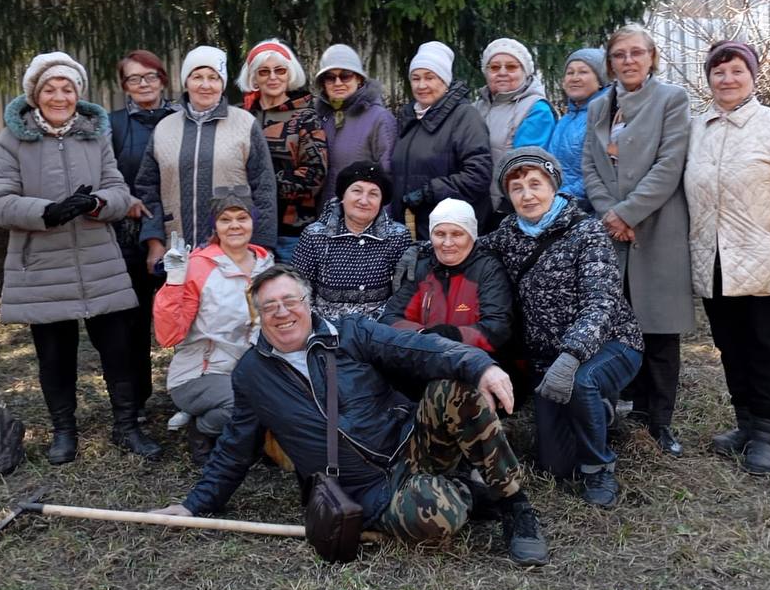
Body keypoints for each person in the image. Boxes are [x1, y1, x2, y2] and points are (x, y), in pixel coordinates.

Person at [153, 265, 550, 566]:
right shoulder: (251, 376)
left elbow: (418, 348)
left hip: (411, 446)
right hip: (363, 490)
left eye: (290, 301)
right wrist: (193, 505)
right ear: (258, 316)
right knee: (436, 519)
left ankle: (515, 506)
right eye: (269, 306)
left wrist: (479, 365)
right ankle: (464, 492)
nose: (282, 312)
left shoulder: (352, 332)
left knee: (455, 391)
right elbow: (235, 449)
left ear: (308, 304)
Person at [0, 51, 163, 465]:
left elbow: (120, 190)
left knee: (118, 348)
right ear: (35, 94)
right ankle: (64, 431)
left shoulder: (93, 134)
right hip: (43, 264)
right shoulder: (13, 139)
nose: (59, 96)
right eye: (50, 88)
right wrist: (44, 212)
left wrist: (97, 202)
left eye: (67, 88)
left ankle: (126, 426)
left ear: (78, 93)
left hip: (98, 259)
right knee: (55, 353)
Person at [684, 41, 770, 475]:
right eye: (718, 72)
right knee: (730, 346)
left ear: (753, 76)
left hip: (766, 259)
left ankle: (765, 434)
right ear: (708, 79)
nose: (727, 79)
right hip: (713, 262)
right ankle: (744, 424)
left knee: (765, 347)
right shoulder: (696, 128)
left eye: (736, 71)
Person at [475, 147, 644, 508]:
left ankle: (599, 468)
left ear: (554, 186)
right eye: (516, 188)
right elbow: (467, 248)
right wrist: (424, 249)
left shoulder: (587, 233)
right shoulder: (509, 233)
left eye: (535, 184)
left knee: (582, 382)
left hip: (610, 345)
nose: (527, 195)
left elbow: (602, 303)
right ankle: (600, 413)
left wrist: (571, 356)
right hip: (547, 360)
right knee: (555, 465)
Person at [583, 24, 693, 458]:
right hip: (612, 234)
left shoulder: (671, 100)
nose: (628, 61)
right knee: (621, 326)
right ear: (609, 63)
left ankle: (659, 421)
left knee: (660, 330)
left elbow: (670, 164)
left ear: (652, 57)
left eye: (636, 53)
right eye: (619, 55)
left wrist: (627, 213)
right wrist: (610, 213)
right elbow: (591, 166)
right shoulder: (598, 106)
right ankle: (624, 412)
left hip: (657, 229)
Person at [153, 186, 274, 466]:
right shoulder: (198, 267)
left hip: (249, 369)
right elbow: (169, 335)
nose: (235, 226)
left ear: (253, 222)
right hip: (201, 373)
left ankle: (248, 436)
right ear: (215, 226)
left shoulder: (266, 265)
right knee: (248, 404)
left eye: (242, 218)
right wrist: (174, 281)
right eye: (225, 219)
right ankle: (203, 429)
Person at [134, 44, 278, 266]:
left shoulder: (245, 124)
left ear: (223, 83)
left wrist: (262, 246)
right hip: (176, 248)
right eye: (197, 76)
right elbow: (147, 190)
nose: (205, 85)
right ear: (186, 82)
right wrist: (154, 242)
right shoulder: (164, 128)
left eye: (214, 77)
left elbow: (264, 188)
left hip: (234, 250)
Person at [108, 49, 178, 412]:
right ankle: (134, 400)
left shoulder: (182, 118)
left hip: (181, 232)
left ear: (163, 79)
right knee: (131, 323)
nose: (144, 84)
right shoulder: (113, 124)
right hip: (129, 237)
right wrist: (124, 198)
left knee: (186, 316)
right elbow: (100, 173)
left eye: (150, 76)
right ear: (125, 86)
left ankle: (188, 393)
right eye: (134, 78)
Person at [380, 198, 513, 358]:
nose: (447, 243)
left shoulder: (488, 270)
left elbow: (496, 328)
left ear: (471, 236)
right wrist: (422, 334)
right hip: (422, 358)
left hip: (472, 362)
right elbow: (390, 318)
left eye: (457, 234)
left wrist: (452, 336)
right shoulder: (421, 269)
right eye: (439, 234)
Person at [391, 41, 493, 239]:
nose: (422, 85)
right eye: (415, 78)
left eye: (430, 77)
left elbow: (478, 175)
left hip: (451, 233)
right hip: (412, 229)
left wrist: (429, 192)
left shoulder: (465, 117)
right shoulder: (409, 118)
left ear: (445, 81)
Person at [239, 38, 329, 263]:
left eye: (279, 70)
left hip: (290, 232)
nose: (272, 77)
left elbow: (314, 174)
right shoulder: (242, 117)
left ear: (289, 74)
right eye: (264, 72)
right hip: (244, 229)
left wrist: (263, 186)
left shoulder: (304, 116)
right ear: (254, 77)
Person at [292, 161, 411, 321]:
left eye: (373, 194)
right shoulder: (315, 234)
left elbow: (402, 292)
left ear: (381, 201)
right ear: (342, 196)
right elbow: (299, 289)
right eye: (357, 191)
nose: (364, 200)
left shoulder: (397, 236)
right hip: (327, 329)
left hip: (379, 329)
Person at [474, 37, 557, 227]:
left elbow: (525, 165)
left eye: (511, 67)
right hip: (477, 204)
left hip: (510, 207)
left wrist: (507, 200)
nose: (502, 72)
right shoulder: (477, 107)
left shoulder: (536, 109)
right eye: (494, 67)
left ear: (524, 72)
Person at [313, 43, 397, 209]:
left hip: (365, 217)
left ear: (359, 79)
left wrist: (382, 226)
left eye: (345, 76)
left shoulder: (379, 118)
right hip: (327, 218)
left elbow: (388, 176)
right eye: (330, 77)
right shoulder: (320, 118)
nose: (338, 82)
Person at [547, 48, 609, 212]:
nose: (575, 78)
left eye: (583, 72)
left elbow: (601, 171)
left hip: (586, 211)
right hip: (558, 206)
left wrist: (559, 199)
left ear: (600, 80)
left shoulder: (605, 116)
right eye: (570, 72)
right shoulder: (565, 119)